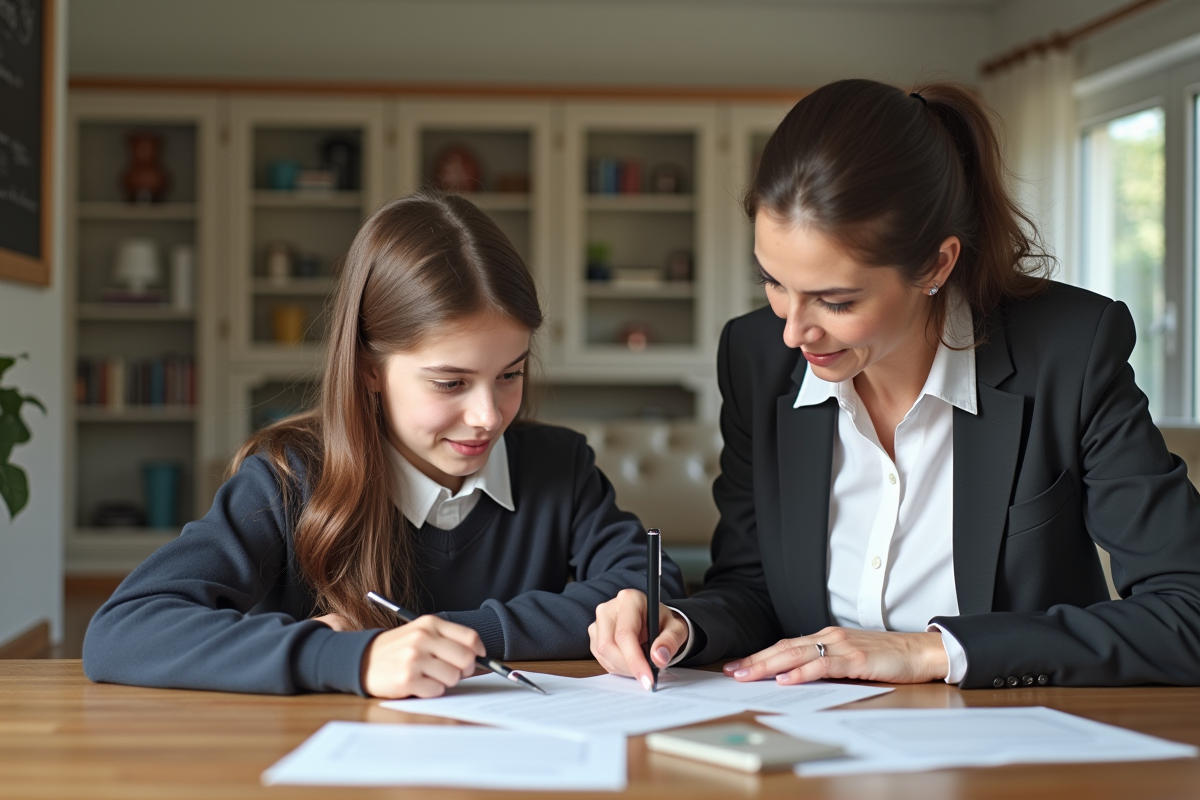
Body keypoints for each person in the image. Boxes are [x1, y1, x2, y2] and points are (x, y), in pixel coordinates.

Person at [590, 78, 1200, 690]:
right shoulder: (753, 358)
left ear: (937, 264)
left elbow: (1187, 612)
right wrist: (680, 623)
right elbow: (751, 587)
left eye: (835, 300)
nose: (793, 333)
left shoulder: (1070, 351)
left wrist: (929, 653)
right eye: (773, 282)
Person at [84, 191, 683, 699]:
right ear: (370, 369)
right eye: (451, 382)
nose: (488, 416)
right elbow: (124, 630)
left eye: (511, 374)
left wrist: (443, 635)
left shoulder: (561, 464)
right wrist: (351, 658)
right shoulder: (288, 480)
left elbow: (644, 587)